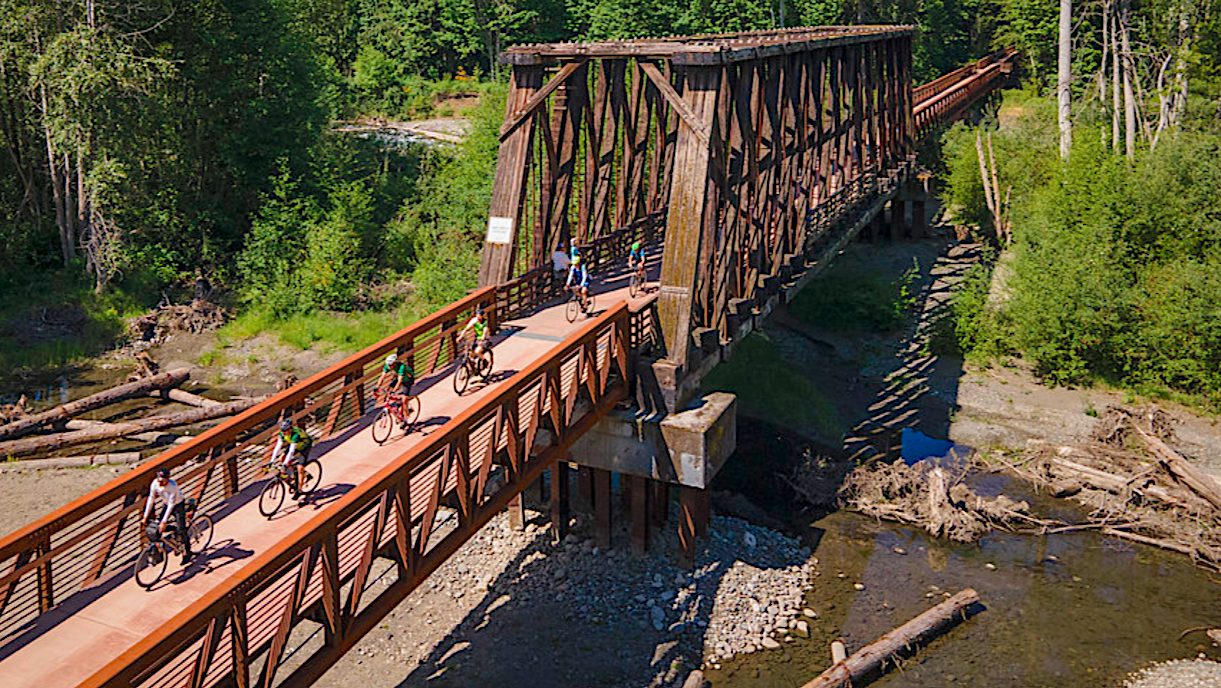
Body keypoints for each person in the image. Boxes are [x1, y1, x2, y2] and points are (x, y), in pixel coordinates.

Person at [142, 468, 192, 564]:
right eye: (159, 481)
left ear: (168, 479)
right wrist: (145, 516)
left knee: (182, 529)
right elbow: (151, 499)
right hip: (166, 504)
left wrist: (164, 522)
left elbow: (171, 505)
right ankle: (171, 536)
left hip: (177, 504)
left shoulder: (173, 486)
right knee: (157, 526)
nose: (160, 483)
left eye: (163, 481)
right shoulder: (154, 483)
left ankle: (187, 552)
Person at [272, 418, 313, 498]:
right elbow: (277, 447)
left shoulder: (295, 435)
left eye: (285, 430)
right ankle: (300, 473)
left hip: (304, 446)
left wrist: (284, 465)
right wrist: (271, 460)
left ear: (290, 429)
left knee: (300, 468)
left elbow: (291, 452)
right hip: (294, 445)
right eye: (282, 430)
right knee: (282, 458)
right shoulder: (282, 434)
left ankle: (299, 490)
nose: (283, 433)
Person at [376, 353, 415, 429]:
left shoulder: (401, 367)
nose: (389, 367)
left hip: (407, 380)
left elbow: (400, 380)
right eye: (388, 365)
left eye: (391, 365)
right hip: (397, 378)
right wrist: (377, 386)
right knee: (389, 392)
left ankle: (406, 418)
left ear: (394, 363)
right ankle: (398, 407)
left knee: (404, 398)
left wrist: (394, 390)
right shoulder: (387, 366)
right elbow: (382, 376)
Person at [458, 305, 492, 373]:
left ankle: (485, 361)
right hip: (477, 338)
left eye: (479, 315)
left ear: (482, 316)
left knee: (477, 351)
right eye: (477, 315)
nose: (478, 317)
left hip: (485, 339)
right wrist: (460, 337)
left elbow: (485, 332)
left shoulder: (485, 322)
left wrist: (482, 340)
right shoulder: (474, 320)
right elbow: (467, 329)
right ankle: (474, 367)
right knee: (470, 353)